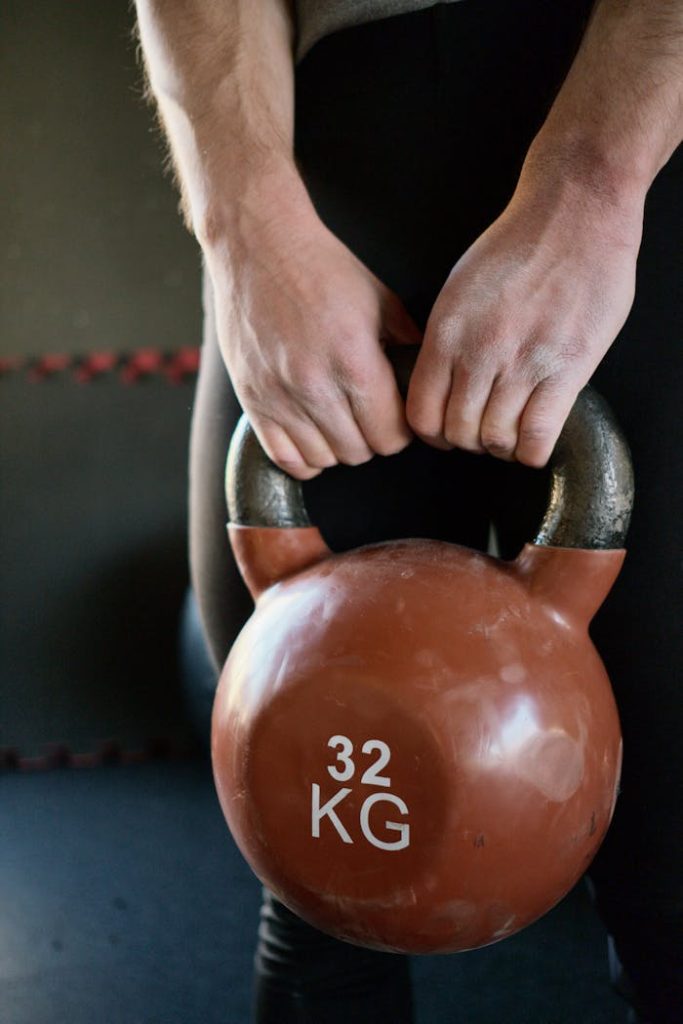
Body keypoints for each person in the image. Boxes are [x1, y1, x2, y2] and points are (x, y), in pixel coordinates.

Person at [134, 2, 683, 1021]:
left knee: (676, 883)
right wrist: (242, 228)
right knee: (312, 864)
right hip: (329, 169)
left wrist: (594, 188)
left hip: (643, 148)